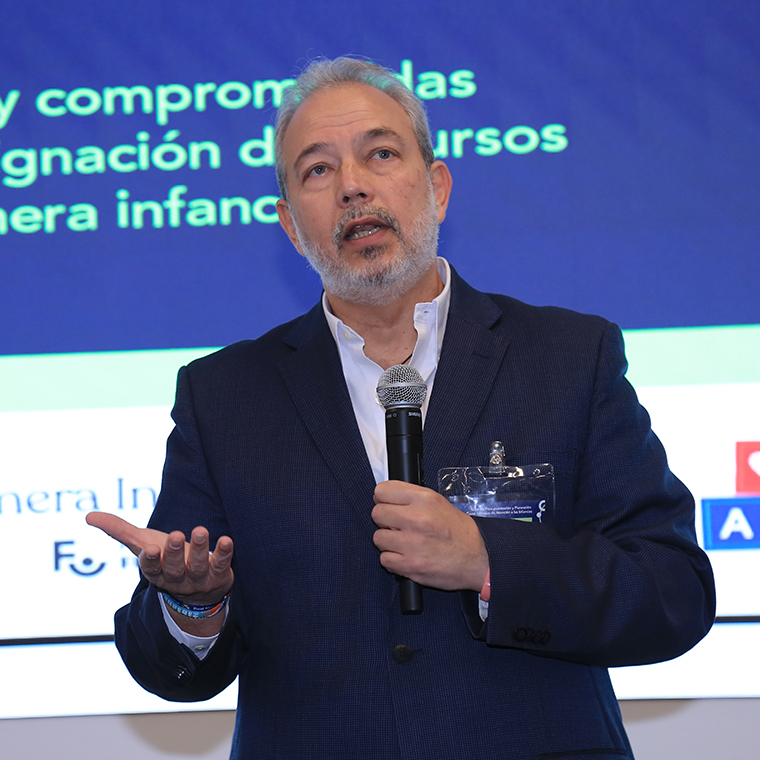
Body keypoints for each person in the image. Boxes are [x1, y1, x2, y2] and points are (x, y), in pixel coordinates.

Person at [87, 57, 715, 760]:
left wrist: (486, 561)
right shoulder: (225, 395)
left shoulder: (568, 356)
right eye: (317, 171)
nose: (353, 185)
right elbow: (168, 667)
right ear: (292, 226)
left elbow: (671, 594)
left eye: (380, 153)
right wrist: (193, 606)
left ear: (437, 187)